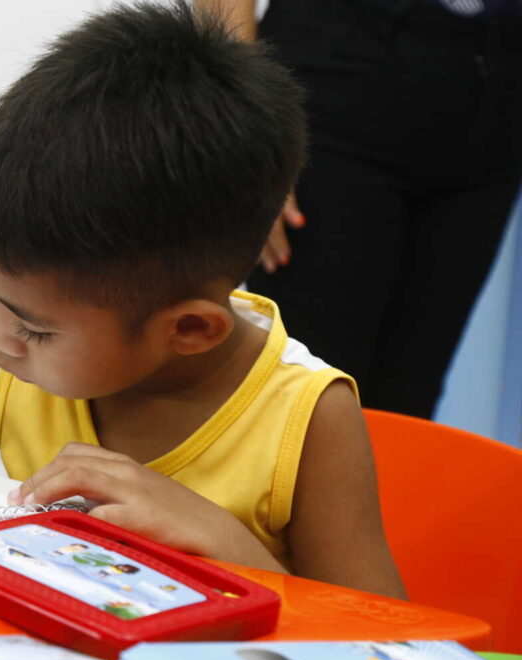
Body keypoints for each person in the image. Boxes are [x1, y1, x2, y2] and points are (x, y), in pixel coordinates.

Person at [0, 2, 405, 598]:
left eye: (37, 329)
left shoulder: (308, 419)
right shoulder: (17, 333)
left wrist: (225, 543)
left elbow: (388, 644)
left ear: (188, 329)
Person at [205, 0, 522, 419]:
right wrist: (245, 124)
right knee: (306, 397)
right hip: (340, 77)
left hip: (499, 92)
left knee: (408, 405)